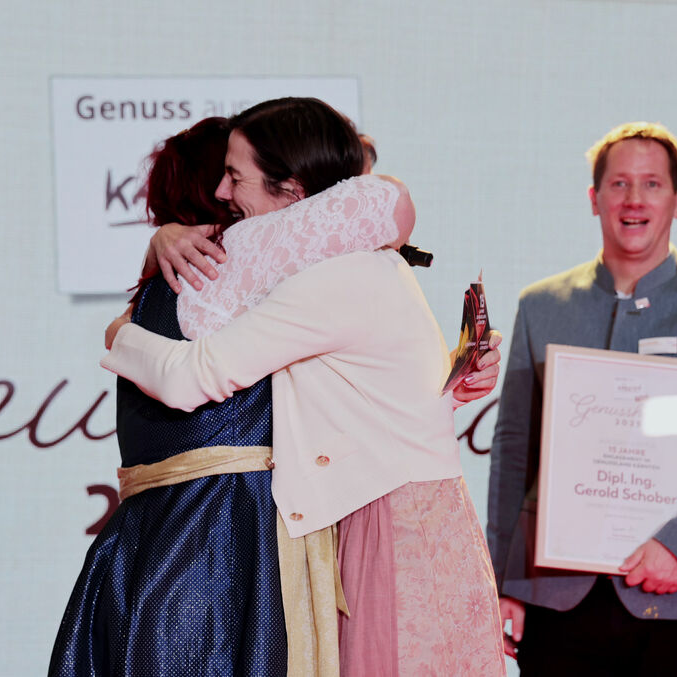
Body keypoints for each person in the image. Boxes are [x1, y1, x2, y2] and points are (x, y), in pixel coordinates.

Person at [102, 97, 507, 676]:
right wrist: (163, 239)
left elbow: (193, 376)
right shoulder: (357, 262)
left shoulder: (332, 277)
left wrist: (120, 333)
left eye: (236, 177)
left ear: (291, 191)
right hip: (392, 513)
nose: (221, 192)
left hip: (387, 524)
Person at [49, 113, 429, 677]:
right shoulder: (248, 272)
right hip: (233, 539)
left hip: (137, 548)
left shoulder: (162, 288)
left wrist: (132, 303)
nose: (231, 192)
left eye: (238, 177)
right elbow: (383, 203)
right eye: (225, 178)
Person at [487, 121, 677, 676]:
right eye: (620, 183)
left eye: (652, 184)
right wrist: (504, 581)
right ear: (594, 198)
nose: (634, 199)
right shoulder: (542, 306)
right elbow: (513, 451)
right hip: (558, 606)